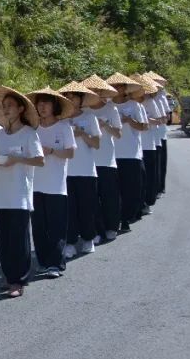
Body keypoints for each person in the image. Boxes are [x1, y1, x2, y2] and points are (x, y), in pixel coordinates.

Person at [0, 86, 44, 298]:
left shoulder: (29, 134)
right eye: (4, 106)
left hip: (20, 193)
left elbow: (40, 160)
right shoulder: (0, 135)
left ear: (21, 108)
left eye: (10, 105)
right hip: (2, 193)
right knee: (3, 239)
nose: (6, 109)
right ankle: (8, 276)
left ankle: (18, 280)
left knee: (19, 240)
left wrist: (17, 159)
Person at [28, 87, 77, 278]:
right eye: (39, 104)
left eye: (46, 103)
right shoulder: (33, 129)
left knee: (56, 227)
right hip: (35, 184)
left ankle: (56, 264)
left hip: (56, 186)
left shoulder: (64, 127)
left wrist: (52, 151)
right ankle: (42, 261)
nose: (42, 107)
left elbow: (71, 152)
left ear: (54, 106)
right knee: (39, 227)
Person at [60, 82, 102, 257]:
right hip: (65, 172)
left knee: (87, 207)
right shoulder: (61, 120)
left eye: (74, 96)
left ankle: (88, 239)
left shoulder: (90, 118)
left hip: (86, 170)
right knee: (69, 209)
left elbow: (97, 143)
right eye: (67, 96)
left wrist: (82, 133)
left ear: (81, 99)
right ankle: (69, 242)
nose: (71, 99)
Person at [82, 75, 123, 242]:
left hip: (106, 159)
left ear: (101, 91)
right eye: (90, 91)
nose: (93, 94)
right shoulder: (84, 112)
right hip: (88, 161)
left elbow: (118, 133)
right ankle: (96, 230)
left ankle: (112, 226)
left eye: (96, 91)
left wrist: (105, 125)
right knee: (92, 199)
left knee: (109, 196)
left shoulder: (111, 109)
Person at [106, 73, 147, 231]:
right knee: (113, 191)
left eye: (120, 86)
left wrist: (129, 120)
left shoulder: (135, 106)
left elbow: (144, 127)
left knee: (130, 189)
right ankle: (115, 219)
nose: (117, 89)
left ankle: (127, 217)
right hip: (111, 154)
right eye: (115, 86)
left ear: (125, 89)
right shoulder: (108, 106)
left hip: (130, 153)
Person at [132, 74, 163, 214]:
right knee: (138, 179)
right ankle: (137, 203)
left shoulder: (149, 102)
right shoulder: (129, 104)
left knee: (148, 176)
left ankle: (147, 202)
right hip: (134, 147)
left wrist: (145, 120)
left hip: (149, 143)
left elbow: (160, 120)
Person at [145, 72, 171, 195]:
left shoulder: (160, 97)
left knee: (159, 164)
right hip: (147, 138)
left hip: (158, 135)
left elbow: (165, 117)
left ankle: (159, 187)